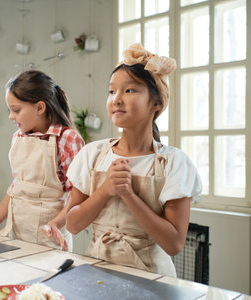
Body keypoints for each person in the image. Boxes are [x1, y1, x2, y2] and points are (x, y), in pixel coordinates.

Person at [65, 43, 202, 276]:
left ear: (157, 102)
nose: (117, 99)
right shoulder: (93, 154)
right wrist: (106, 189)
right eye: (112, 91)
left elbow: (174, 244)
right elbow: (73, 224)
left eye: (129, 90)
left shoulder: (174, 163)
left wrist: (129, 195)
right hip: (97, 272)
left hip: (153, 279)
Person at [0, 70, 85, 251]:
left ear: (40, 107)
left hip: (48, 238)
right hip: (16, 234)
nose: (11, 116)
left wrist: (54, 224)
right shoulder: (18, 136)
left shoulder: (67, 138)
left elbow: (77, 194)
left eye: (16, 110)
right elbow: (17, 188)